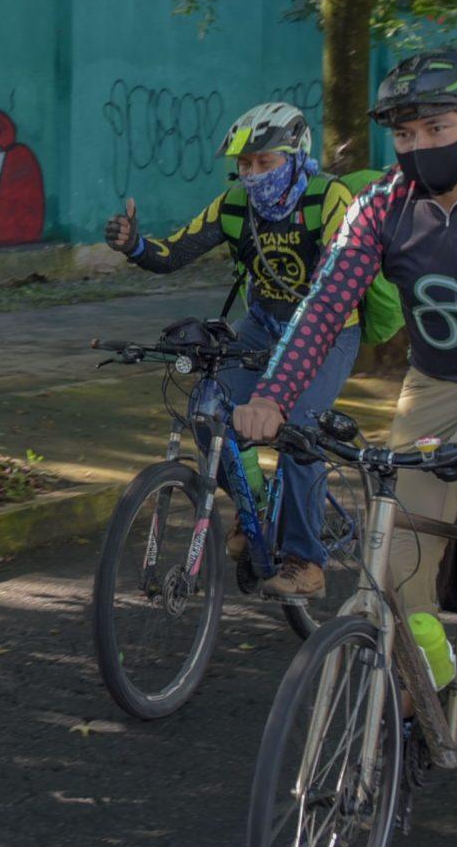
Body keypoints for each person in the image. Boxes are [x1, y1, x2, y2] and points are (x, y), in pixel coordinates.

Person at [232, 49, 457, 690]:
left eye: (437, 129)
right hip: (434, 385)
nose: (418, 146)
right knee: (393, 560)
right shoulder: (381, 205)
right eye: (403, 133)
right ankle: (431, 689)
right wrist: (275, 395)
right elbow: (325, 302)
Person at [105, 101, 362, 602]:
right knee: (207, 411)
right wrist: (135, 244)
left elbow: (339, 283)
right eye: (245, 165)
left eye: (264, 163)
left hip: (329, 330)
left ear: (296, 156)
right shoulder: (235, 207)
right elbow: (174, 251)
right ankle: (258, 509)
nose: (252, 174)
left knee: (299, 429)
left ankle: (306, 561)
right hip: (262, 327)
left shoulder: (329, 198)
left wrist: (293, 367)